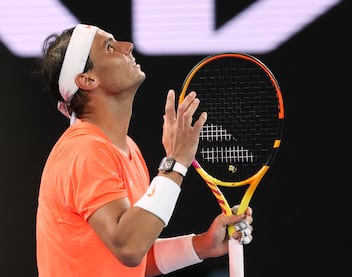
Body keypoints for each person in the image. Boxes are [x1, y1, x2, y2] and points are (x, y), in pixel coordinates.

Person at [34, 23, 254, 277]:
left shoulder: (127, 149)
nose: (128, 46)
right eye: (110, 46)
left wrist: (202, 245)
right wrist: (176, 162)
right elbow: (129, 246)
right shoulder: (85, 150)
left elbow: (133, 258)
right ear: (87, 79)